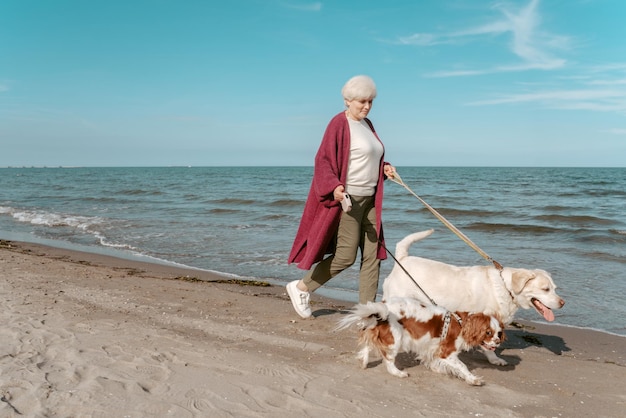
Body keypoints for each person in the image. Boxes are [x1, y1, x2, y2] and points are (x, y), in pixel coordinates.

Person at [286, 75, 396, 318]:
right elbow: (323, 160)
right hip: (349, 201)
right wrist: (334, 186)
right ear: (348, 100)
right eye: (362, 102)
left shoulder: (367, 125)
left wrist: (385, 167)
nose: (367, 107)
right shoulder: (339, 123)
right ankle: (301, 287)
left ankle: (367, 314)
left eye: (370, 102)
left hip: (370, 200)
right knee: (345, 256)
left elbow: (368, 157)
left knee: (372, 257)